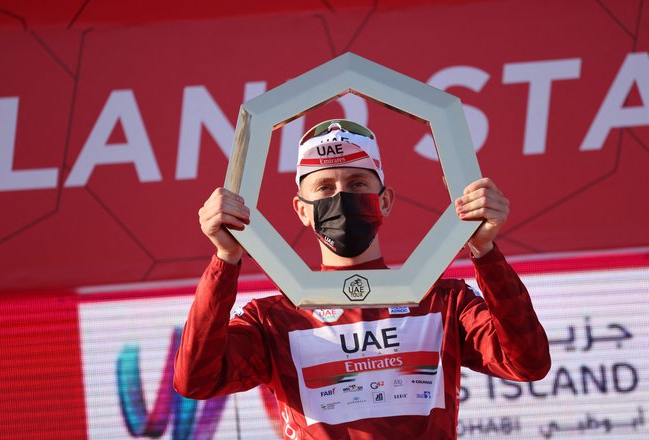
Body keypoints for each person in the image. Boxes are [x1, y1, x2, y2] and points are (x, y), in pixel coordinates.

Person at [174, 119, 551, 439]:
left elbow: (526, 362)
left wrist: (485, 253)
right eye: (324, 188)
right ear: (301, 211)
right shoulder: (273, 319)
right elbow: (197, 379)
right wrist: (226, 258)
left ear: (384, 201)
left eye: (357, 184)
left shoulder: (442, 300)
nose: (341, 198)